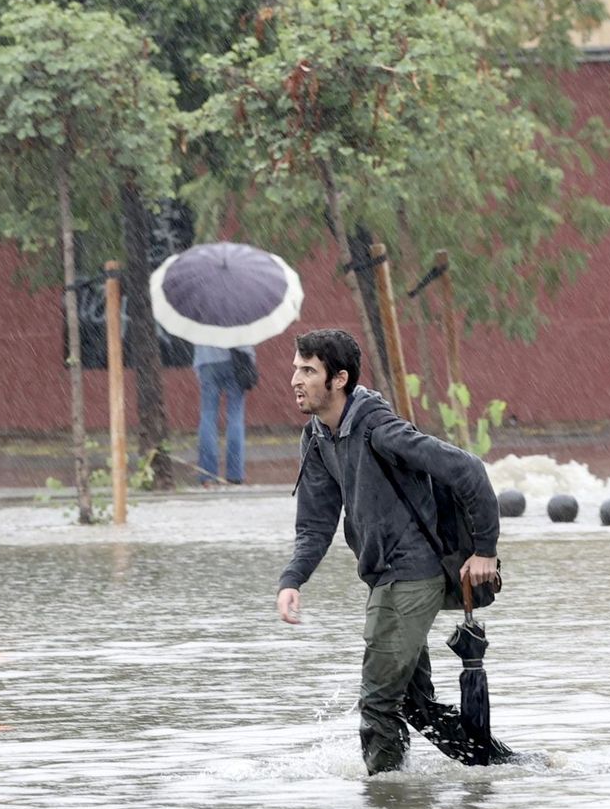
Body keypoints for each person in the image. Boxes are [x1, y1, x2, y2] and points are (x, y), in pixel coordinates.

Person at [277, 327, 513, 776]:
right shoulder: (317, 437)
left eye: (308, 371)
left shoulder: (380, 430)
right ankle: (497, 767)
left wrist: (485, 551)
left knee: (378, 700)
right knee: (411, 702)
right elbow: (314, 524)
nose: (295, 380)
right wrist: (293, 580)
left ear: (339, 379)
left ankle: (385, 804)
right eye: (296, 369)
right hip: (382, 576)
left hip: (414, 571)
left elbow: (468, 469)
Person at [193, 341, 253, 485]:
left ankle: (208, 474)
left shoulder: (202, 317)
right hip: (236, 359)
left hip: (207, 360)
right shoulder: (239, 317)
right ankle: (235, 474)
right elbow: (247, 340)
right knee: (235, 417)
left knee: (207, 416)